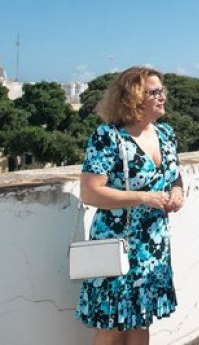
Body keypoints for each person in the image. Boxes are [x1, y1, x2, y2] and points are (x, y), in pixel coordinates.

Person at [75, 66, 184, 345]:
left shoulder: (166, 134)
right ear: (133, 97)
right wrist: (144, 197)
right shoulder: (107, 137)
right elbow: (90, 193)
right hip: (117, 241)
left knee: (141, 321)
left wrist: (177, 192)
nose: (162, 97)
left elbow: (174, 177)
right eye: (154, 92)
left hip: (153, 243)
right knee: (110, 326)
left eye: (162, 91)